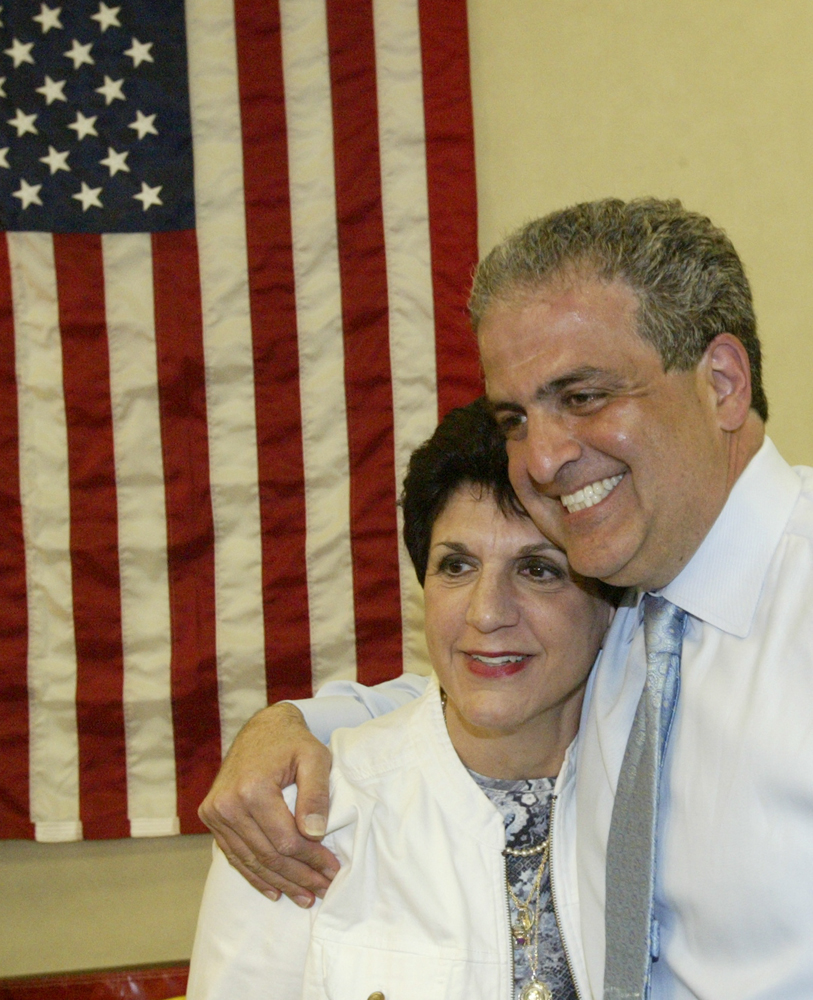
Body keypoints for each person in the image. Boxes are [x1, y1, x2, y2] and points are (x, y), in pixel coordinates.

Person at [200, 198, 813, 999]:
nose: (545, 456)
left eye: (584, 396)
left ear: (721, 382)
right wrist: (293, 724)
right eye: (516, 416)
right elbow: (489, 687)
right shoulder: (637, 610)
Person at [186, 398, 614, 1000]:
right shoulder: (301, 822)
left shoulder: (663, 797)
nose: (487, 613)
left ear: (613, 601)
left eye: (539, 570)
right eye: (456, 566)